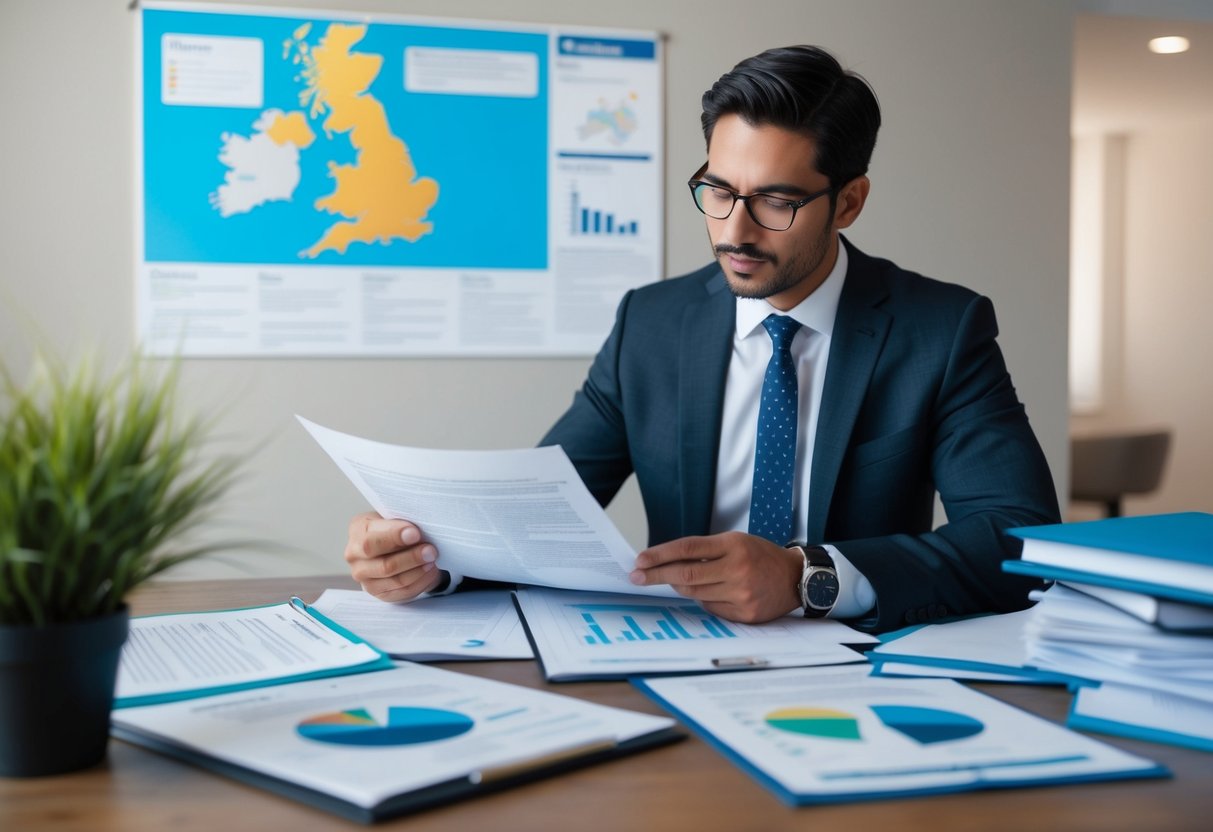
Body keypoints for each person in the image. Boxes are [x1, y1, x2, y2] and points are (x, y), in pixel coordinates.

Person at [344, 45, 1060, 633]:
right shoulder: (650, 324)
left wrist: (806, 575)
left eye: (775, 201)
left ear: (848, 202)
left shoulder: (939, 329)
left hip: (863, 666)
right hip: (674, 658)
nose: (733, 231)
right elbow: (537, 510)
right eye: (717, 190)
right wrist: (429, 561)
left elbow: (1016, 538)